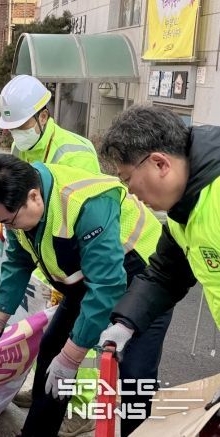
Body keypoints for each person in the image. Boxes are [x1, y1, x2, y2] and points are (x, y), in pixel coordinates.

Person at [0, 154, 173, 437]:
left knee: (134, 376)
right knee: (52, 350)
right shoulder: (18, 204)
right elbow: (18, 262)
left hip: (145, 280)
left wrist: (72, 357)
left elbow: (106, 286)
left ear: (34, 197)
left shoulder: (87, 204)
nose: (9, 228)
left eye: (9, 222)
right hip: (91, 279)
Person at [0, 74, 102, 436]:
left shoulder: (74, 152)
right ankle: (47, 395)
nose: (16, 134)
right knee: (48, 335)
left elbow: (83, 219)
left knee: (81, 340)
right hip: (45, 258)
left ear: (43, 116)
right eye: (11, 128)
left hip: (76, 263)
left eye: (21, 126)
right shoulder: (21, 150)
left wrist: (61, 276)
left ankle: (82, 408)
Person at [98, 106, 220, 395]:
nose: (129, 192)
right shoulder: (184, 209)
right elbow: (166, 274)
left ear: (159, 163)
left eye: (127, 179)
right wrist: (126, 323)